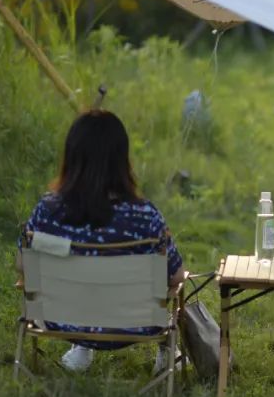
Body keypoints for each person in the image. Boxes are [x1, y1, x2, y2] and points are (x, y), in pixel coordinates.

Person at [16, 109, 187, 373]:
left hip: (59, 320)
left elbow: (23, 265)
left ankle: (81, 347)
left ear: (71, 157)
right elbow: (176, 277)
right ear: (122, 160)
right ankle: (166, 351)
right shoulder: (145, 217)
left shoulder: (46, 212)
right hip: (134, 324)